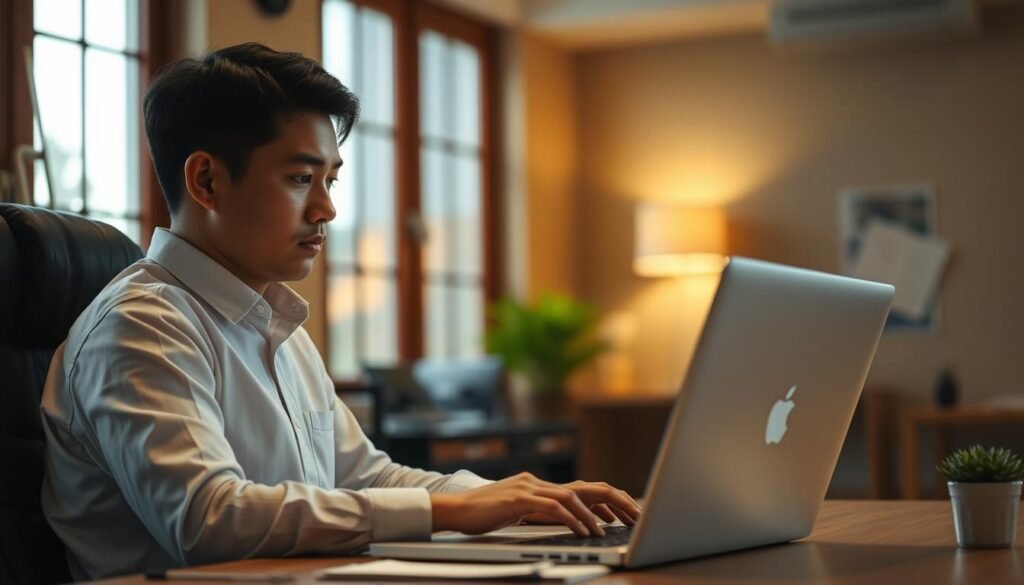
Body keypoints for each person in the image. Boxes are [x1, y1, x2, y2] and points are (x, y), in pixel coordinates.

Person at [40, 43, 640, 580]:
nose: (326, 209)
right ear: (206, 181)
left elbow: (367, 477)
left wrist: (516, 497)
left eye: (331, 179)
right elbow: (208, 518)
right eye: (302, 178)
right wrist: (454, 508)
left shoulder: (274, 324)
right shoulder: (144, 324)